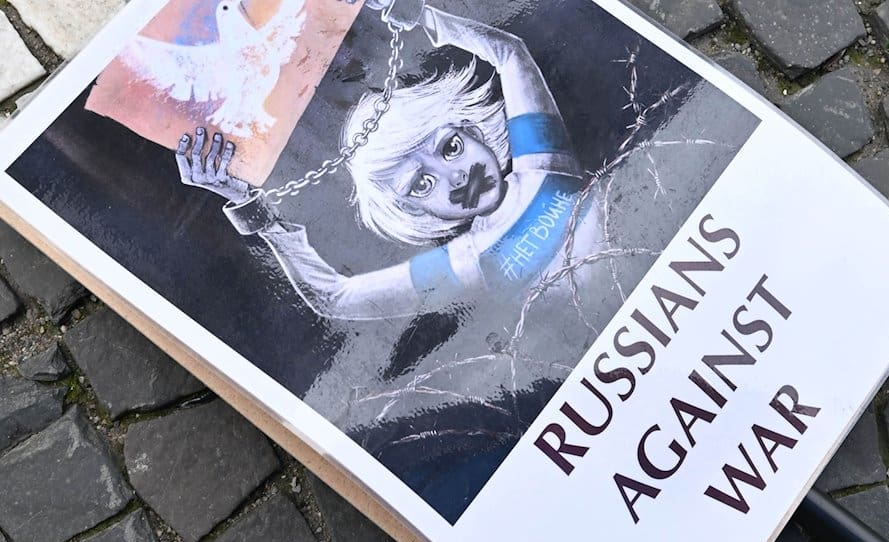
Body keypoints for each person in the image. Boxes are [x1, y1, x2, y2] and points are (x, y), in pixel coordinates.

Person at [175, 1, 603, 321]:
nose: (455, 176)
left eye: (450, 147)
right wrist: (257, 214)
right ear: (413, 210)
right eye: (421, 185)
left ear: (471, 131)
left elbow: (509, 53)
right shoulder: (466, 263)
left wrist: (415, 12)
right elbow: (334, 298)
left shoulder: (542, 165)